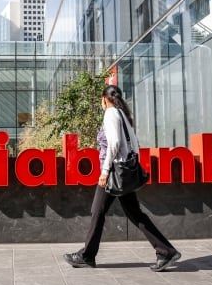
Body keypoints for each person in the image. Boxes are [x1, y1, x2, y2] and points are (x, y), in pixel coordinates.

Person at [64, 85, 181, 271]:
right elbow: (135, 144)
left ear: (104, 99)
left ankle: (86, 256)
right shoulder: (123, 115)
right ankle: (166, 251)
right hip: (123, 171)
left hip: (113, 172)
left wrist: (104, 171)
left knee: (97, 211)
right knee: (133, 213)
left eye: (101, 100)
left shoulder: (110, 113)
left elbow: (114, 143)